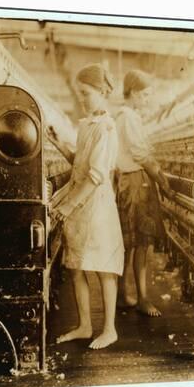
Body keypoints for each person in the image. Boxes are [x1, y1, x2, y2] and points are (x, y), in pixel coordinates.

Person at [48, 63, 124, 350]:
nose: (83, 98)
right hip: (81, 204)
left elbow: (95, 175)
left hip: (96, 207)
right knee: (76, 266)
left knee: (103, 268)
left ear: (103, 92)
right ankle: (84, 325)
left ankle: (109, 329)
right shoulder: (87, 125)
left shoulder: (106, 128)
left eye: (87, 93)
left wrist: (68, 206)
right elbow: (79, 164)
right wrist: (57, 143)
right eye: (80, 93)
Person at [115, 69, 174, 317]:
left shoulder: (125, 116)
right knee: (141, 242)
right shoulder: (128, 117)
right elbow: (140, 153)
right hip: (136, 183)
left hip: (128, 182)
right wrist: (161, 177)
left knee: (130, 243)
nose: (148, 99)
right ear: (135, 93)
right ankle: (142, 298)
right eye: (146, 94)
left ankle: (122, 293)